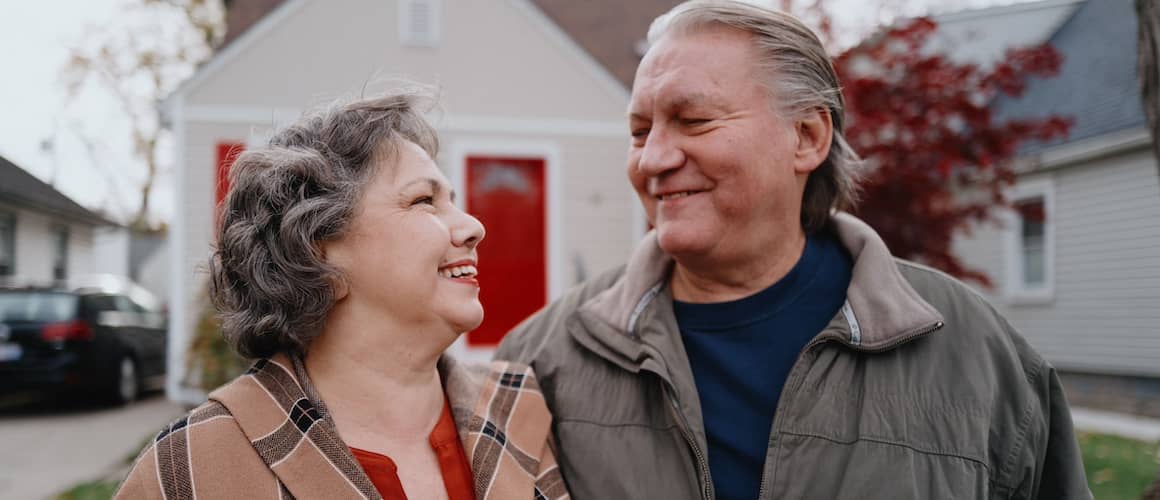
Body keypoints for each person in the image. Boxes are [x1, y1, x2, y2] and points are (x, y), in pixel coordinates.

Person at [494, 1, 1091, 499]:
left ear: (806, 136)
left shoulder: (977, 354)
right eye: (639, 132)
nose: (653, 158)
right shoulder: (540, 361)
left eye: (693, 120)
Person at [115, 90, 569, 500]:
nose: (474, 226)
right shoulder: (191, 469)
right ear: (317, 255)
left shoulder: (519, 409)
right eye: (423, 201)